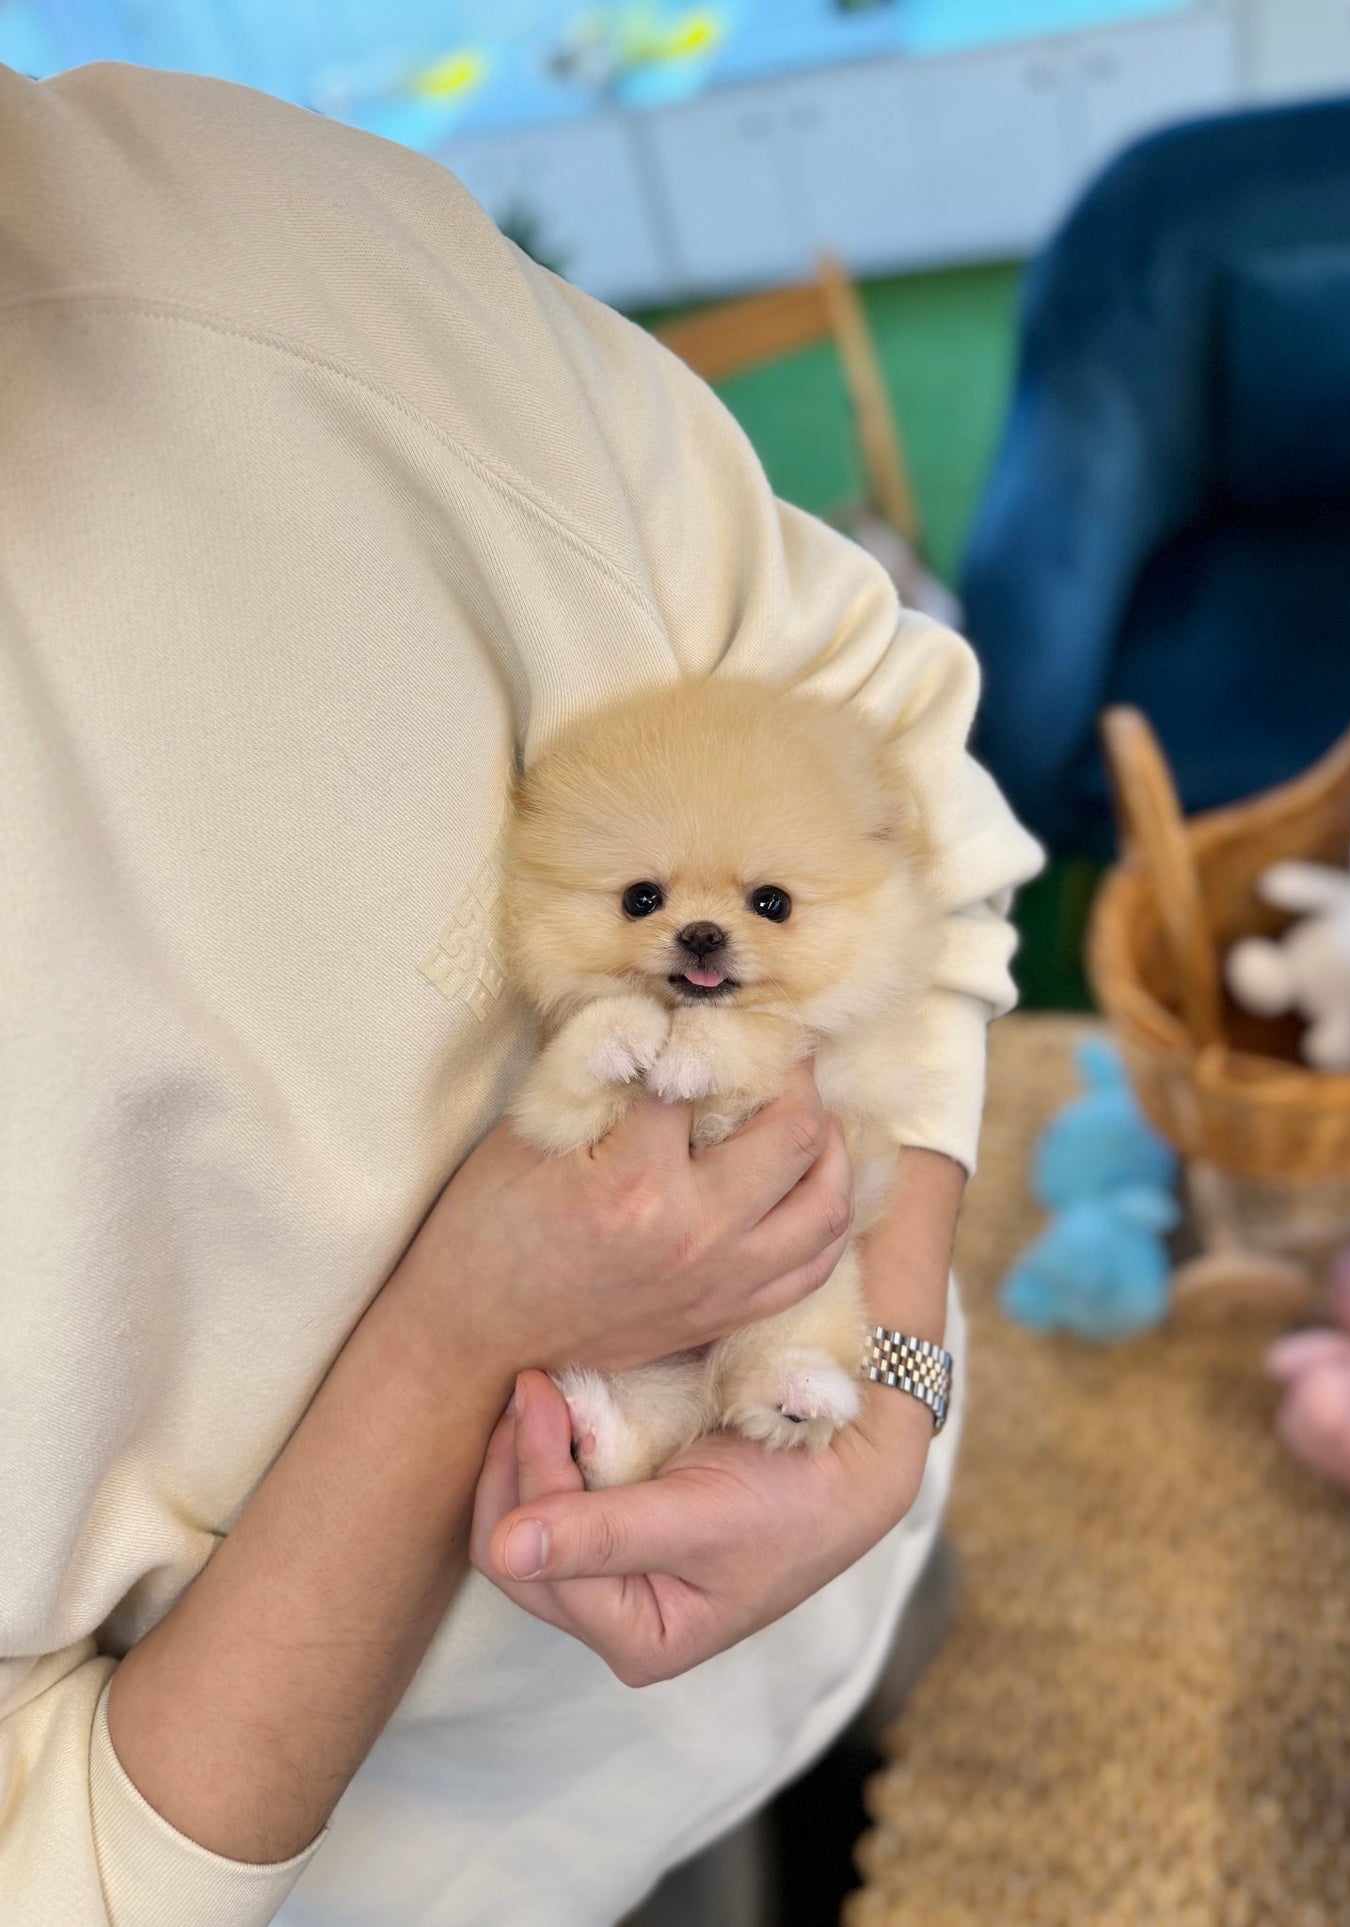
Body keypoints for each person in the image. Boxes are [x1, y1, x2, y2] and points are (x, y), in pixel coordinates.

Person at [0, 57, 1044, 1927]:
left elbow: (882, 728)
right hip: (412, 1862)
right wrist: (457, 1330)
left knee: (899, 1736)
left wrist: (885, 1387)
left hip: (841, 1496)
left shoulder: (265, 227)